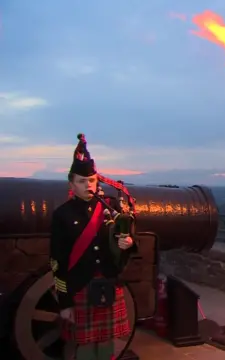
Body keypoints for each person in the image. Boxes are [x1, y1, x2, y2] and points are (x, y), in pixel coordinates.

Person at [49, 134, 137, 360]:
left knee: (106, 345)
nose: (87, 185)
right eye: (81, 181)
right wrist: (65, 302)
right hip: (80, 285)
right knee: (86, 348)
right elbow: (57, 260)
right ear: (71, 184)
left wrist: (127, 244)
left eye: (91, 180)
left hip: (108, 282)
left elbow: (125, 241)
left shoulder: (111, 207)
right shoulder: (62, 215)